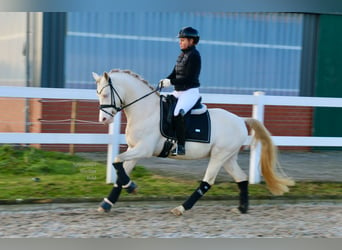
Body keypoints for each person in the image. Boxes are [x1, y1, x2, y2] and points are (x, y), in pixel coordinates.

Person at [159, 26, 201, 156]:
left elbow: (188, 79)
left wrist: (171, 82)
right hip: (178, 91)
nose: (180, 42)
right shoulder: (182, 55)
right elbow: (174, 73)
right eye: (180, 40)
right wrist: (166, 79)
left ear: (191, 41)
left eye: (183, 40)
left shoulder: (194, 56)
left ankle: (181, 146)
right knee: (164, 106)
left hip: (190, 91)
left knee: (178, 113)